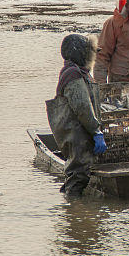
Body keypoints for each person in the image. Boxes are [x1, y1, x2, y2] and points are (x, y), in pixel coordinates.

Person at [47, 34, 107, 197]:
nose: (93, 56)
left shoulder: (80, 72)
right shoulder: (73, 74)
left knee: (78, 173)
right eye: (91, 52)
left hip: (80, 130)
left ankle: (73, 208)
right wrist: (96, 131)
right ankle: (73, 213)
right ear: (80, 53)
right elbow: (82, 107)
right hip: (76, 133)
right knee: (78, 174)